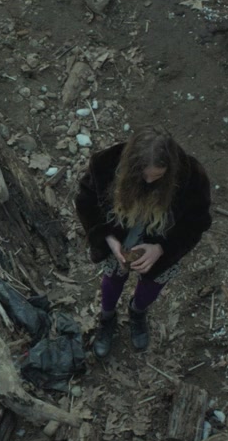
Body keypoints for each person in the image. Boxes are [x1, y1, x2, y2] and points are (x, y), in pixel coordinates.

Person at [74, 126, 213, 356]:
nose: (149, 181)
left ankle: (137, 312)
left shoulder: (191, 178)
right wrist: (107, 237)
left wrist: (162, 248)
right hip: (120, 231)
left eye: (157, 176)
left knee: (153, 283)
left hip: (161, 238)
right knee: (112, 277)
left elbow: (197, 222)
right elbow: (85, 201)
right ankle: (107, 317)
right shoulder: (106, 164)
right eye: (143, 174)